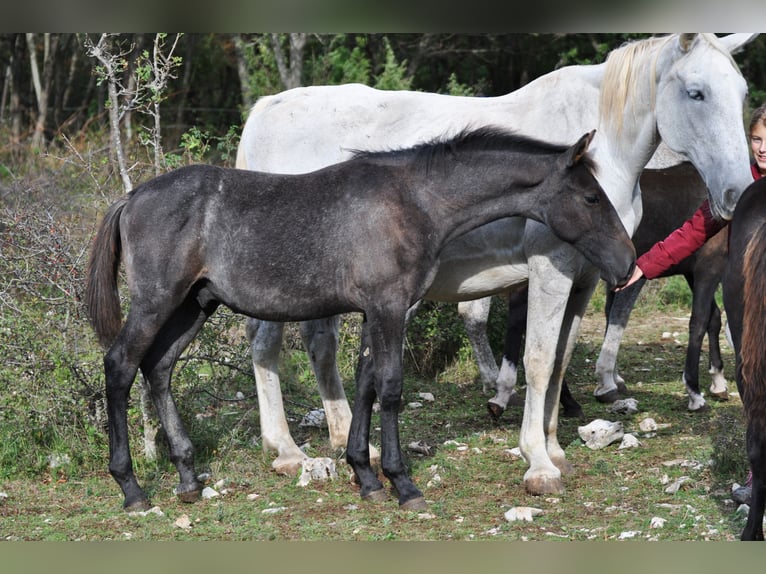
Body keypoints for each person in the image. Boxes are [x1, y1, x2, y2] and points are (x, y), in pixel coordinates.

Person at [617, 103, 766, 507]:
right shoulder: (734, 185)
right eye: (756, 139)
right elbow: (693, 230)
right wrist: (644, 266)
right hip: (746, 301)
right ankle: (757, 479)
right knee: (752, 385)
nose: (763, 148)